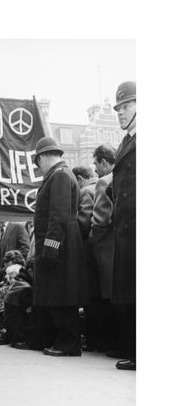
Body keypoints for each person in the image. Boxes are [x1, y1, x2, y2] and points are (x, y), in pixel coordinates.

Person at [29, 136, 88, 357]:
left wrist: (51, 248)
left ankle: (68, 343)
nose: (40, 168)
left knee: (62, 295)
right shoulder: (60, 175)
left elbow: (59, 217)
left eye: (38, 163)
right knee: (60, 293)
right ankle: (64, 341)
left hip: (60, 246)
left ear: (43, 157)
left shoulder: (60, 176)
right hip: (62, 244)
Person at [110, 81, 136, 371]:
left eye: (127, 105)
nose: (120, 112)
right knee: (129, 291)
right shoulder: (128, 141)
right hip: (126, 226)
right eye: (118, 108)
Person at [90, 144, 118, 354]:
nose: (95, 169)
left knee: (106, 296)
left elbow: (100, 219)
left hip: (105, 247)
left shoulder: (103, 181)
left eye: (96, 163)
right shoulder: (125, 176)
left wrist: (92, 239)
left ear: (104, 162)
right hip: (122, 245)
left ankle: (110, 343)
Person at [73, 165, 102, 352]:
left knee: (91, 299)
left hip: (88, 253)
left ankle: (95, 341)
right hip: (100, 253)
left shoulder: (85, 192)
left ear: (79, 178)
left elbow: (83, 223)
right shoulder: (99, 186)